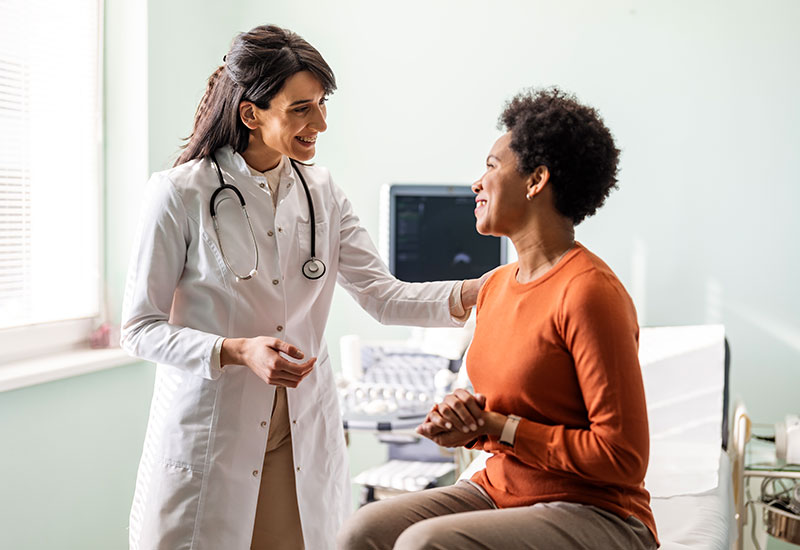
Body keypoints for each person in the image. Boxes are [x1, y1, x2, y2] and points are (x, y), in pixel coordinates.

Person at [121, 24, 485, 550]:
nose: (321, 122)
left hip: (298, 435)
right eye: (301, 108)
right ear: (251, 114)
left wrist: (488, 289)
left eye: (321, 103)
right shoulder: (180, 193)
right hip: (214, 436)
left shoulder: (322, 192)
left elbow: (382, 295)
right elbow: (139, 329)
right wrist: (237, 350)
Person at [336, 87, 659, 550]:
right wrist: (466, 425)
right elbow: (503, 415)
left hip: (596, 510)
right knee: (361, 530)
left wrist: (497, 428)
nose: (476, 183)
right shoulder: (494, 287)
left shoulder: (590, 293)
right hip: (501, 490)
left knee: (424, 545)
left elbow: (622, 457)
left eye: (491, 166)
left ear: (536, 181)